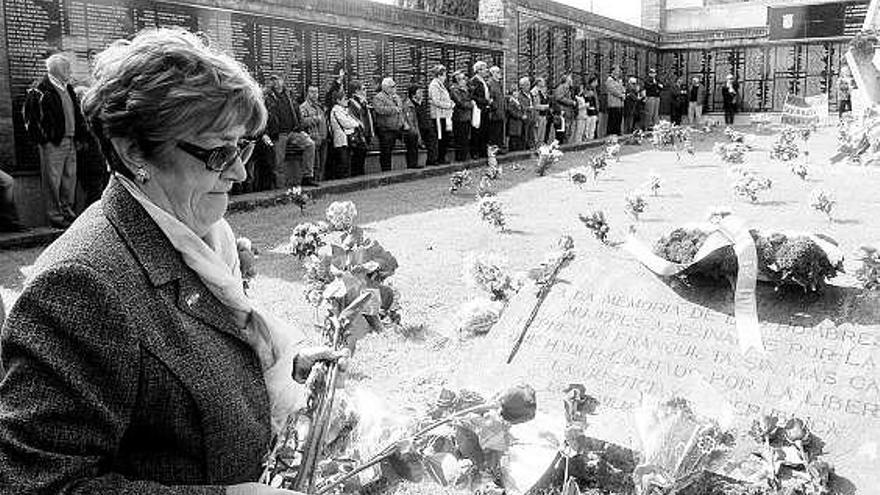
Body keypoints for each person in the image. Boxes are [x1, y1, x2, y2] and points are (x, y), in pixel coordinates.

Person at [1, 28, 343, 494]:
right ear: (134, 150)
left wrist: (287, 360)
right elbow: (36, 485)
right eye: (219, 152)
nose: (241, 170)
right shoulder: (80, 284)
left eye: (242, 147)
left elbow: (189, 359)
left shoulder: (200, 239)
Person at [22, 53, 87, 228]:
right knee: (53, 181)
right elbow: (31, 119)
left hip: (71, 140)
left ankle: (68, 212)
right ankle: (55, 217)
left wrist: (80, 136)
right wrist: (44, 139)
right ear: (57, 70)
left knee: (69, 179)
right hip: (52, 143)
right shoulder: (39, 90)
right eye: (67, 68)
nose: (70, 71)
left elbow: (77, 114)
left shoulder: (69, 88)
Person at [265, 75, 317, 187]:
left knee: (310, 144)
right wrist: (266, 133)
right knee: (278, 161)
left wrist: (301, 129)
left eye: (278, 79)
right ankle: (279, 186)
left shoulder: (289, 95)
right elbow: (265, 116)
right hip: (278, 133)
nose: (276, 82)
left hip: (293, 131)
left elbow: (297, 111)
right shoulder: (268, 97)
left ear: (282, 81)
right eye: (273, 80)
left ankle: (307, 177)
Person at [372, 77, 406, 172]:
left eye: (395, 86)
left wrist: (403, 122)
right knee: (386, 151)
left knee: (412, 137)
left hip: (397, 126)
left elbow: (401, 109)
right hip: (385, 128)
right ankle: (386, 170)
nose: (395, 88)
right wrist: (393, 109)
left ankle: (412, 164)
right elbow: (380, 109)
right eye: (392, 86)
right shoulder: (378, 97)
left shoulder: (396, 97)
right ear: (386, 88)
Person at [329, 89, 363, 179]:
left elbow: (351, 120)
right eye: (344, 99)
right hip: (341, 140)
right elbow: (346, 123)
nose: (346, 101)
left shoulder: (344, 110)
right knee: (342, 163)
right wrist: (357, 124)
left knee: (347, 162)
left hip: (346, 140)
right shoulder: (336, 110)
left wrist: (354, 123)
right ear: (338, 100)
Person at [300, 85, 329, 182]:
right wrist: (315, 119)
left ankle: (320, 182)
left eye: (316, 92)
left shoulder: (319, 106)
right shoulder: (304, 107)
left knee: (322, 165)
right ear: (307, 93)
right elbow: (302, 122)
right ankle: (315, 182)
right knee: (315, 164)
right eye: (312, 92)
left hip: (323, 138)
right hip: (313, 138)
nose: (314, 95)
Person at [428, 64, 454, 165]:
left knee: (445, 137)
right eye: (444, 75)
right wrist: (448, 105)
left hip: (445, 115)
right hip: (438, 115)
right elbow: (436, 101)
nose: (445, 77)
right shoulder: (434, 85)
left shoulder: (441, 85)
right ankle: (438, 158)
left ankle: (442, 157)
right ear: (439, 75)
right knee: (440, 137)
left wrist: (450, 103)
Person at [347, 81, 374, 176]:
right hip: (358, 136)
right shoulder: (352, 103)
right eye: (363, 89)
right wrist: (363, 106)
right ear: (356, 91)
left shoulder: (363, 102)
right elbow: (356, 118)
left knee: (361, 158)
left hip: (365, 134)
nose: (365, 91)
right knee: (358, 159)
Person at [449, 69, 473, 161]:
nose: (465, 81)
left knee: (466, 137)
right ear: (458, 80)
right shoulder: (454, 90)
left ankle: (464, 156)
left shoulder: (465, 89)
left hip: (466, 116)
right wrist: (470, 104)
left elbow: (469, 99)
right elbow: (461, 103)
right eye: (463, 79)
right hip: (459, 117)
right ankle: (460, 157)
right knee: (460, 138)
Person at [468, 61, 491, 158]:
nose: (486, 70)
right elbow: (473, 96)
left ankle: (483, 150)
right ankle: (475, 151)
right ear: (479, 70)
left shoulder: (483, 81)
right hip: (478, 109)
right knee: (477, 130)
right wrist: (485, 101)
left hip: (485, 109)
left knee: (484, 130)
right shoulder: (474, 81)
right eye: (484, 68)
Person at [508, 76, 533, 151]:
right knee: (515, 137)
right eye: (514, 92)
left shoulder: (517, 100)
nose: (516, 93)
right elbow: (512, 111)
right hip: (515, 121)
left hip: (522, 120)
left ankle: (522, 147)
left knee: (522, 135)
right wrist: (521, 115)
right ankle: (514, 149)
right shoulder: (512, 101)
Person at [415, 83, 437, 165]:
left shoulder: (422, 104)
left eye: (421, 92)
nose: (421, 94)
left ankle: (432, 159)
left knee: (432, 137)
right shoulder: (413, 104)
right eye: (419, 92)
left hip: (425, 126)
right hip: (418, 126)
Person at [486, 65, 506, 151]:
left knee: (500, 132)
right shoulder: (490, 83)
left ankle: (499, 147)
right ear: (492, 73)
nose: (500, 74)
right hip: (494, 113)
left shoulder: (498, 84)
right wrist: (495, 107)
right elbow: (489, 99)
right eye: (498, 72)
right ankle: (494, 149)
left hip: (501, 112)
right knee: (494, 132)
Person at [402, 86, 423, 169]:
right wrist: (416, 133)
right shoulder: (408, 105)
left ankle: (414, 162)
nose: (421, 94)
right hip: (407, 129)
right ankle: (412, 163)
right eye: (419, 92)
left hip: (413, 128)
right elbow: (410, 120)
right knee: (412, 136)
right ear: (413, 95)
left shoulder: (416, 104)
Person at [553, 73, 577, 143]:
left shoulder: (569, 88)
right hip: (563, 112)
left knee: (568, 130)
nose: (572, 80)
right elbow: (558, 98)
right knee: (564, 130)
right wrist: (571, 102)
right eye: (570, 79)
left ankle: (566, 144)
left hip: (569, 112)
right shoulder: (561, 87)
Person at [605, 65, 625, 136]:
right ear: (613, 71)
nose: (618, 71)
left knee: (618, 119)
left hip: (620, 103)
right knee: (613, 119)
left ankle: (617, 132)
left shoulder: (619, 80)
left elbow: (623, 89)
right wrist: (621, 95)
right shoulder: (609, 80)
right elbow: (613, 90)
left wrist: (623, 93)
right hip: (613, 103)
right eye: (617, 70)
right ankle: (611, 134)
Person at [531, 77, 551, 143]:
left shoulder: (542, 91)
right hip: (538, 115)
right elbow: (535, 105)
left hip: (544, 115)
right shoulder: (534, 92)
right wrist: (546, 107)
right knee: (537, 134)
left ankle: (541, 146)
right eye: (543, 81)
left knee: (542, 134)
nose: (544, 83)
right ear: (538, 82)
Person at [584, 76, 599, 141]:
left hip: (594, 111)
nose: (597, 84)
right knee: (588, 127)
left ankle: (591, 138)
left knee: (593, 127)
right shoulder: (587, 90)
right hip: (588, 111)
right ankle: (587, 139)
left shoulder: (594, 90)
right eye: (596, 82)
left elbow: (596, 101)